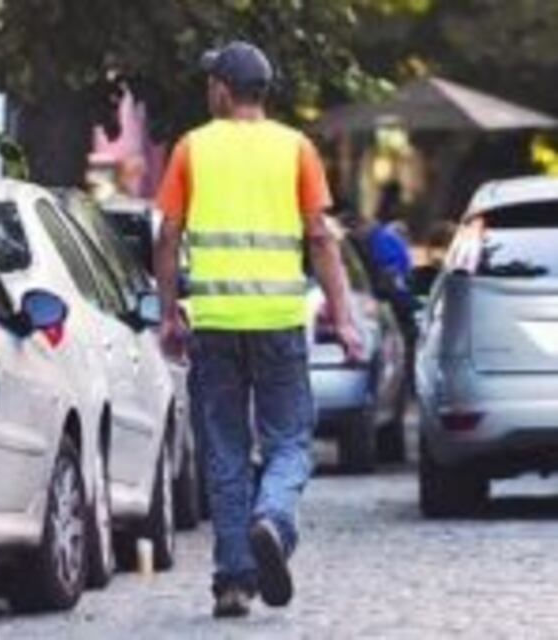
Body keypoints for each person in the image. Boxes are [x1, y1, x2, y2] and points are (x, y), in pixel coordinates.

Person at [154, 41, 363, 619]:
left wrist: (170, 313)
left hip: (216, 323)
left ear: (223, 89)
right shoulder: (296, 148)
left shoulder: (192, 149)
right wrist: (343, 319)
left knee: (223, 450)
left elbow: (168, 237)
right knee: (291, 441)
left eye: (209, 83)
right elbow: (320, 236)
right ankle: (272, 520)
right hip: (277, 321)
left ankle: (233, 582)